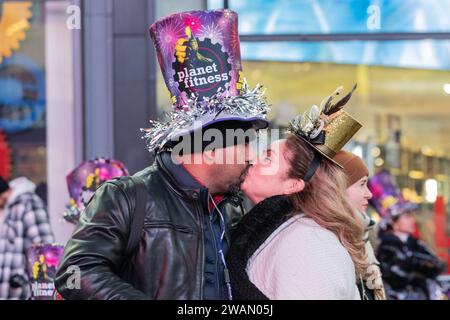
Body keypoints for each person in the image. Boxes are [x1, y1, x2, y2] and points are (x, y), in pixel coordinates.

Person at [55, 9, 270, 300]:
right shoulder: (127, 197)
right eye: (244, 144)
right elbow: (72, 275)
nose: (251, 157)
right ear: (209, 151)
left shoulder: (232, 206)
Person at [227, 85, 367, 300]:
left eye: (268, 159)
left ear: (293, 185)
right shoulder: (290, 233)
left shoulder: (311, 247)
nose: (252, 160)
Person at [369, 170, 446, 300]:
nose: (412, 220)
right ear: (393, 223)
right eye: (406, 216)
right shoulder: (386, 250)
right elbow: (399, 277)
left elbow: (438, 265)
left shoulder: (413, 243)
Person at [334, 150, 386, 300]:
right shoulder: (332, 237)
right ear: (339, 188)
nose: (369, 194)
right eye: (362, 184)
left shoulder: (361, 232)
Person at [0, 176, 54, 299]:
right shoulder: (9, 208)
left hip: (23, 293)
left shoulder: (29, 203)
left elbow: (45, 248)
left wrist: (22, 278)